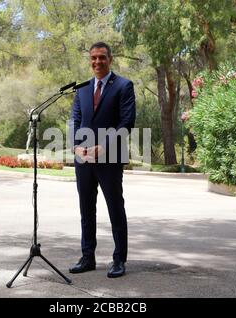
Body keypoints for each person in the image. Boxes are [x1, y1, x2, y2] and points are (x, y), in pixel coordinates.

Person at [69, 42, 136, 278]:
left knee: (115, 208)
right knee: (86, 209)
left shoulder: (124, 86)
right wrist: (75, 147)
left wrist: (105, 147)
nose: (97, 62)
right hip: (83, 160)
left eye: (102, 58)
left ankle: (119, 259)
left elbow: (127, 123)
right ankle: (87, 257)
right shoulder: (83, 89)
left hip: (111, 159)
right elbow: (75, 120)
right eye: (93, 58)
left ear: (110, 59)